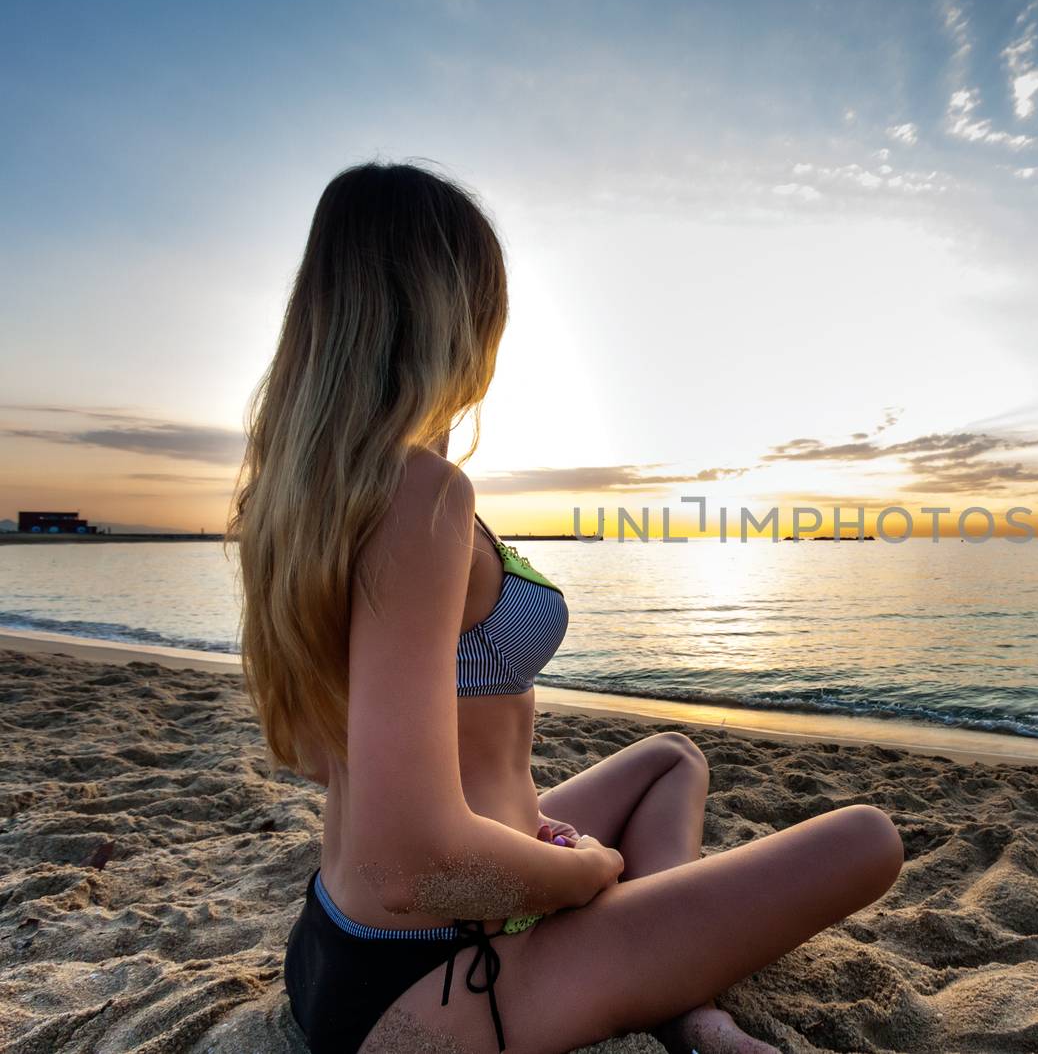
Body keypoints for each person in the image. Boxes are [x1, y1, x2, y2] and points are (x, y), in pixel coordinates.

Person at [228, 161, 904, 1054]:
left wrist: (521, 841)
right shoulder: (421, 495)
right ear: (451, 311)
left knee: (671, 758)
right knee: (868, 839)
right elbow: (410, 863)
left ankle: (676, 987)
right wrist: (576, 873)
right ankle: (687, 1002)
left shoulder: (300, 500)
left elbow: (333, 763)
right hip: (439, 969)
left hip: (341, 949)